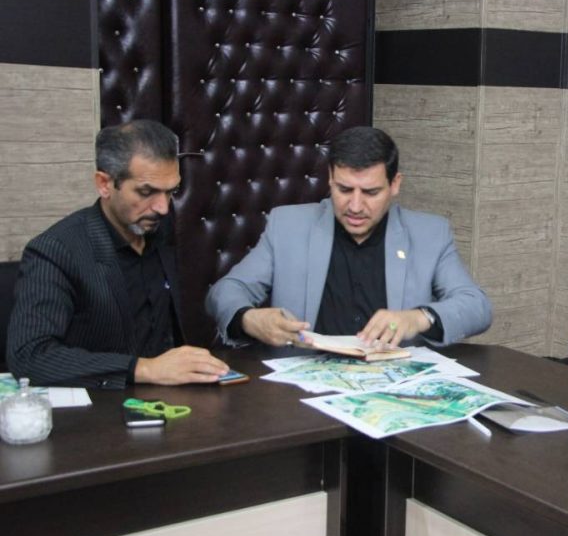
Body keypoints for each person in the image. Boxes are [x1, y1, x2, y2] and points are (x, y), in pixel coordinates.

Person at [206, 126, 492, 349]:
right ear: (330, 179)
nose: (355, 206)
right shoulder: (288, 226)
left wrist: (417, 317)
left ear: (394, 185)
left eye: (370, 192)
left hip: (393, 384)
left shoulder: (429, 234)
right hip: (305, 383)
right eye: (344, 190)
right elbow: (225, 291)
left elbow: (477, 307)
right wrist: (249, 318)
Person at [7, 120, 229, 388]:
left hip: (171, 396)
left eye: (171, 191)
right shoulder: (56, 250)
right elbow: (29, 356)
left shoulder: (162, 228)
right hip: (104, 402)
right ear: (104, 184)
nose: (162, 207)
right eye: (146, 192)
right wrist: (144, 369)